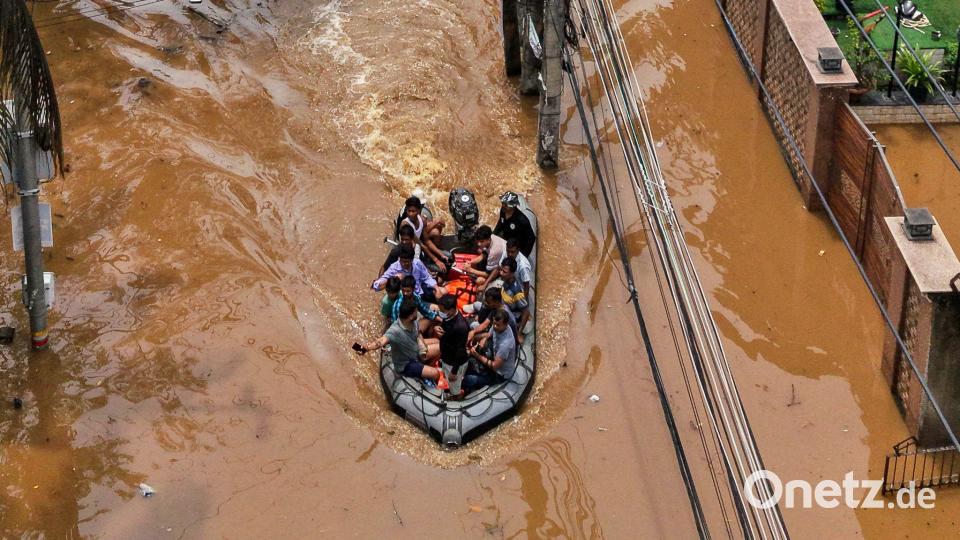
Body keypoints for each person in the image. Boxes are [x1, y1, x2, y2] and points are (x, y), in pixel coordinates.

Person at [357, 299, 441, 382]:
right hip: (406, 364)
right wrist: (366, 348)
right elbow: (380, 341)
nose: (417, 312)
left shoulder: (413, 322)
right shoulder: (395, 331)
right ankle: (427, 379)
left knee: (437, 342)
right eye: (416, 311)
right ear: (410, 316)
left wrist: (422, 346)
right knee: (435, 373)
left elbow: (418, 333)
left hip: (414, 350)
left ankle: (426, 367)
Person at [463, 309, 517, 391]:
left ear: (506, 324)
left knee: (469, 379)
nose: (494, 326)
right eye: (494, 323)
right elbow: (489, 334)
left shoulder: (505, 344)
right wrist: (482, 340)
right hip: (494, 357)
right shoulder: (497, 326)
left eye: (498, 325)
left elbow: (495, 366)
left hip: (500, 374)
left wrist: (477, 355)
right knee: (469, 362)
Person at [372, 245, 444, 301]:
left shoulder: (417, 263)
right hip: (406, 298)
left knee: (441, 292)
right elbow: (377, 284)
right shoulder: (394, 268)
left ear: (412, 260)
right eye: (401, 261)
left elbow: (426, 277)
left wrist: (437, 288)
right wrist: (395, 278)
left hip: (420, 293)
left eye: (406, 262)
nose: (403, 264)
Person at [397, 196, 448, 273]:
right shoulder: (406, 224)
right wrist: (436, 260)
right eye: (409, 211)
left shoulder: (423, 220)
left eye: (413, 211)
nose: (410, 214)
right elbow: (421, 245)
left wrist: (441, 255)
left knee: (447, 257)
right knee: (438, 271)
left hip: (419, 247)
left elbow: (426, 240)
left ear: (418, 210)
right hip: (410, 253)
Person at [433, 294, 470, 397]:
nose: (441, 313)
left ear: (452, 309)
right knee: (449, 380)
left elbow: (460, 350)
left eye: (443, 311)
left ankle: (457, 398)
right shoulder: (448, 317)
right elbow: (445, 326)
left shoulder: (461, 327)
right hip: (446, 357)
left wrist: (454, 372)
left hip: (454, 363)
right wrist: (437, 327)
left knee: (455, 389)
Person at [494, 191, 536, 257]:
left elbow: (531, 238)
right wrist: (493, 235)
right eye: (503, 203)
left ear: (513, 206)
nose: (503, 206)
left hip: (516, 245)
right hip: (506, 238)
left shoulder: (522, 220)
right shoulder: (503, 211)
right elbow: (500, 223)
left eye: (506, 205)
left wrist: (524, 255)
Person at [499, 257, 530, 344]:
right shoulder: (506, 282)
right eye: (501, 270)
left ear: (512, 273)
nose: (501, 273)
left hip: (511, 318)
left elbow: (526, 312)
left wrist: (519, 333)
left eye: (504, 272)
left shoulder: (516, 292)